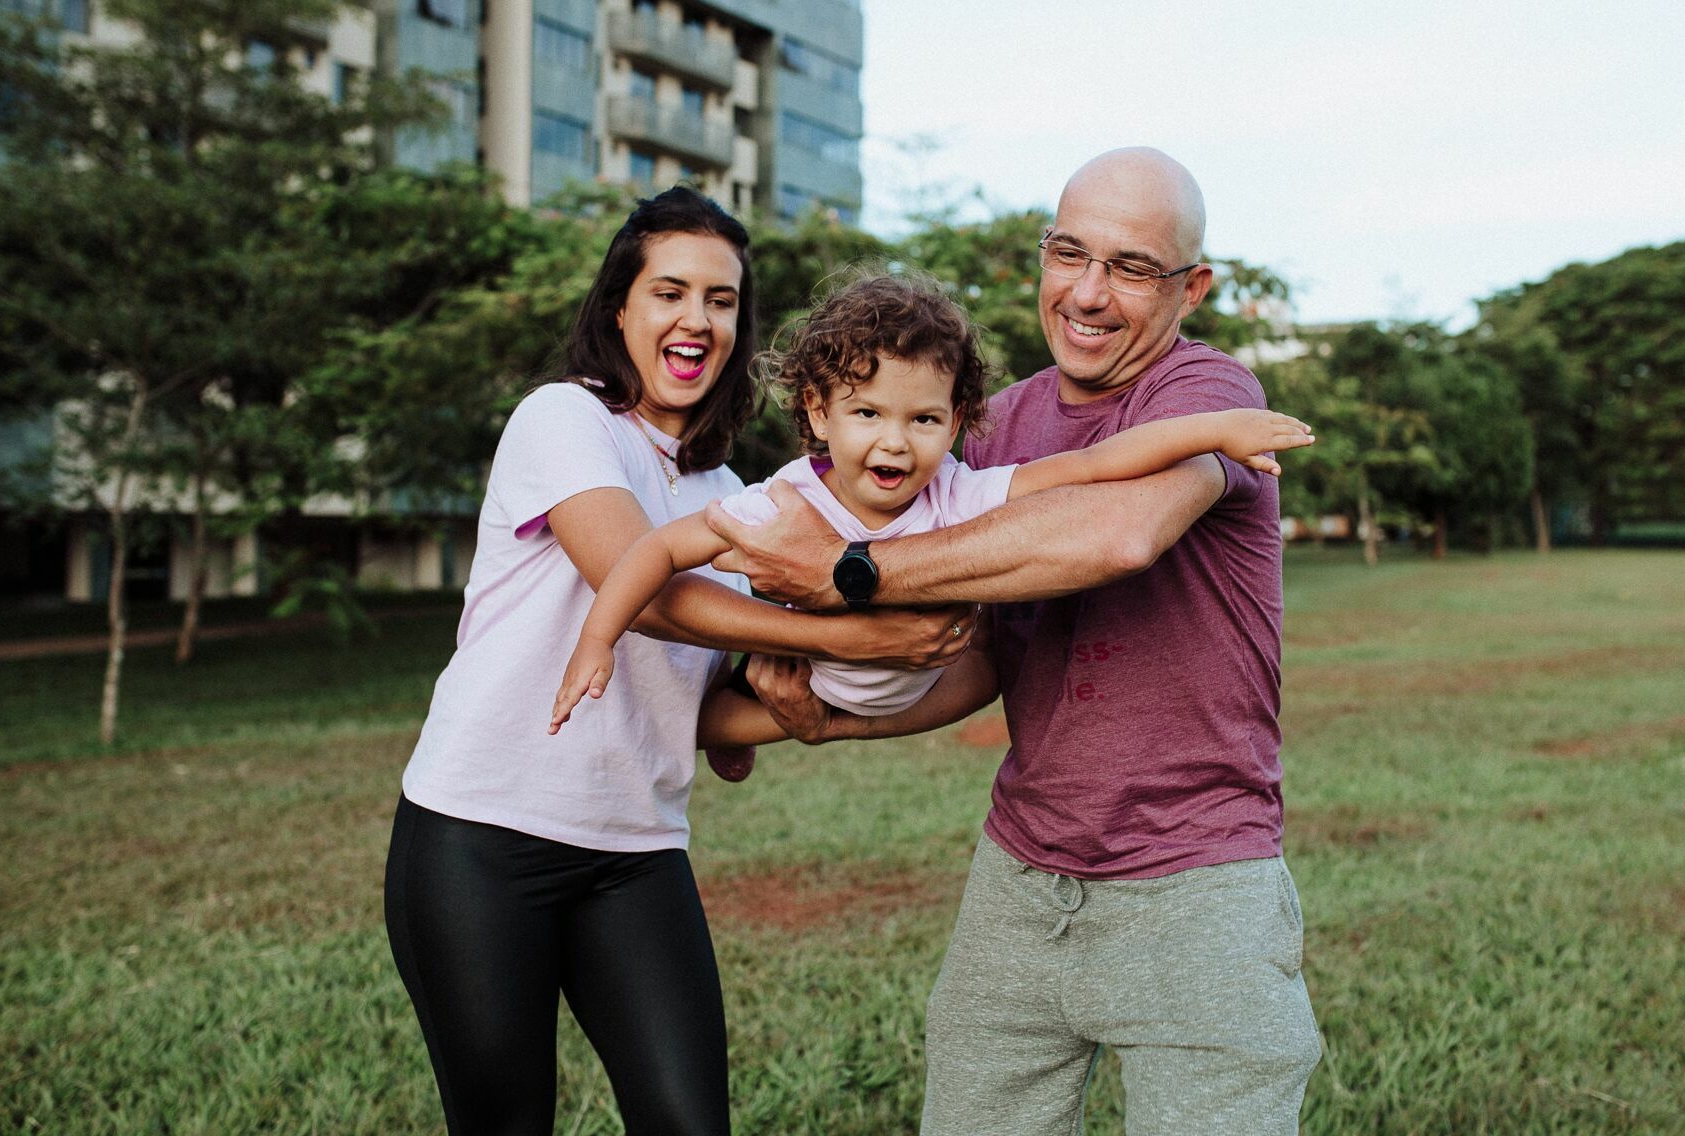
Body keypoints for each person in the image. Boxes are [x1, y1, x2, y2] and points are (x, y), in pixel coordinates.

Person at [706, 149, 1324, 1135]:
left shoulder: (1208, 394)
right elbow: (985, 656)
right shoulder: (995, 424)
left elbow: (1119, 531)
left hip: (1197, 880)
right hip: (1022, 871)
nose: (1086, 292)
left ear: (1192, 287)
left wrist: (843, 567)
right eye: (1068, 252)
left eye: (1129, 267)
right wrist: (813, 722)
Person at [381, 187, 971, 1136]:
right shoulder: (564, 419)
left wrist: (809, 714)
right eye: (670, 292)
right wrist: (853, 631)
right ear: (621, 306)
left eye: (723, 300)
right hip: (480, 837)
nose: (698, 318)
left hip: (635, 854)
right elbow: (645, 594)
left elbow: (705, 709)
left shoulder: (734, 492)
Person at [548, 269, 1312, 728]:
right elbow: (659, 550)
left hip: (895, 694)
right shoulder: (784, 505)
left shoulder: (961, 491)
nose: (896, 443)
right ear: (817, 412)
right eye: (867, 414)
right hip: (815, 678)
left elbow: (1097, 464)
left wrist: (1214, 428)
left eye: (924, 420)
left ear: (958, 423)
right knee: (727, 712)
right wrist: (597, 639)